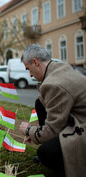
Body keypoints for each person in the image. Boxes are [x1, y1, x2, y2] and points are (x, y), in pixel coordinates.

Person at [19, 44, 86, 176]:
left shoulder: (53, 84)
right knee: (40, 102)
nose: (30, 74)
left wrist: (28, 130)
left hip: (82, 127)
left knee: (45, 152)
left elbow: (51, 130)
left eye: (29, 69)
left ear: (35, 62)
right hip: (80, 116)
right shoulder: (62, 67)